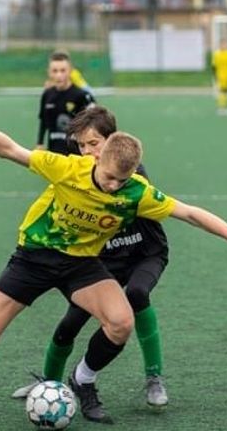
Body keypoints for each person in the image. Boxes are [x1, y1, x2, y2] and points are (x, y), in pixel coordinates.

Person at [0, 93, 227, 424]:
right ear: (97, 159)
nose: (114, 185)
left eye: (122, 179)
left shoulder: (135, 190)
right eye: (110, 177)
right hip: (34, 257)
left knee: (120, 322)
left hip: (81, 264)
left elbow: (188, 213)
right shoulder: (67, 168)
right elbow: (9, 150)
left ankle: (83, 379)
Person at [11, 106, 173, 408]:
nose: (86, 151)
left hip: (141, 253)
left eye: (93, 144)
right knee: (70, 322)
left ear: (113, 141)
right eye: (81, 145)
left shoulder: (129, 174)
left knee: (137, 294)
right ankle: (50, 383)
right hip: (103, 259)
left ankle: (154, 377)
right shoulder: (84, 173)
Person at [37, 50, 94, 154]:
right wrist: (40, 143)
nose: (59, 75)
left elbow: (95, 123)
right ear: (49, 72)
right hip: (54, 154)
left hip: (77, 156)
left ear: (70, 71)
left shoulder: (81, 96)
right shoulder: (47, 94)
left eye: (63, 70)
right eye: (55, 71)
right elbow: (43, 121)